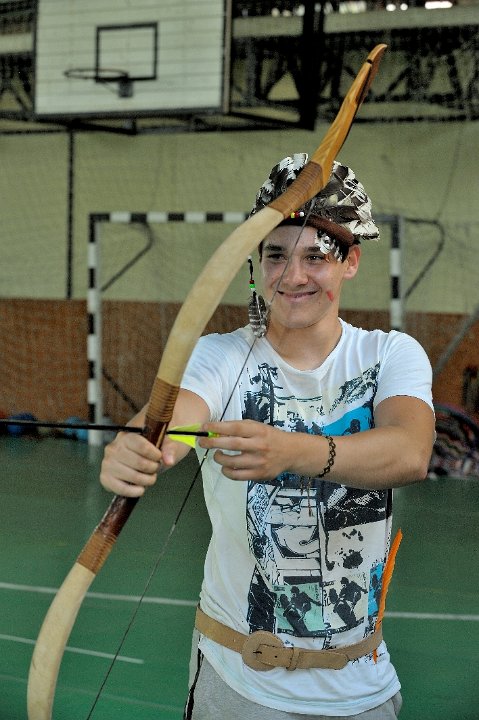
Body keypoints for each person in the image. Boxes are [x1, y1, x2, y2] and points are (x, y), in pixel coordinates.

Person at [100, 154, 435, 719]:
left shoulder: (389, 354)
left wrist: (291, 451)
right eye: (275, 254)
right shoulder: (219, 356)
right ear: (257, 264)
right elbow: (173, 424)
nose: (292, 276)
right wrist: (138, 448)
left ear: (351, 261)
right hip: (238, 684)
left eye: (315, 257)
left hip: (362, 687)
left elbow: (410, 452)